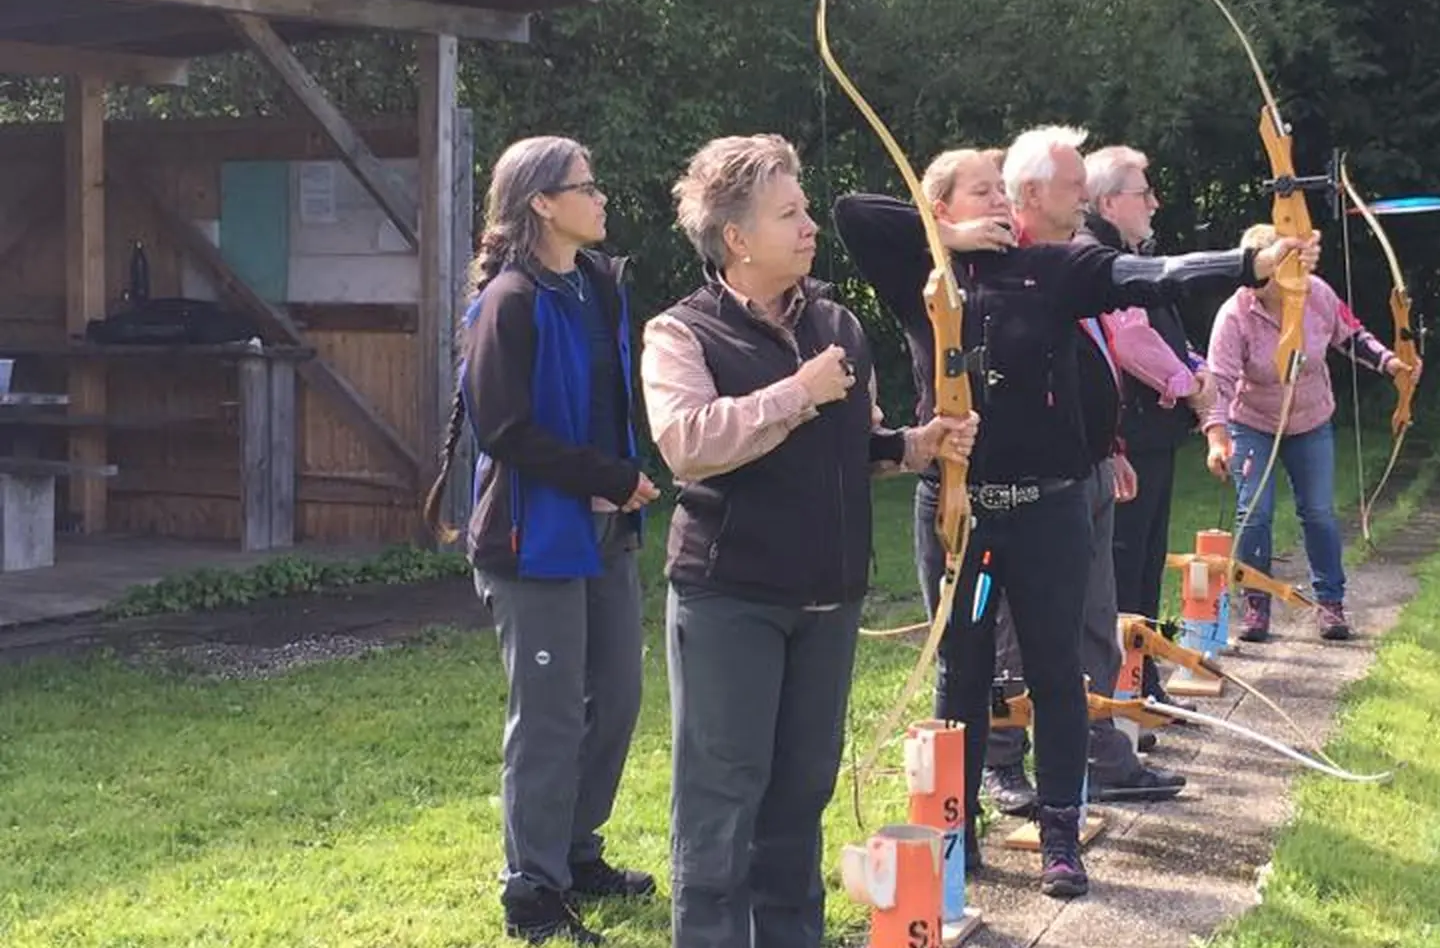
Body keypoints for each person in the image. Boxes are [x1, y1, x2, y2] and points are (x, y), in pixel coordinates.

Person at [833, 129, 1319, 899]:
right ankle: (957, 837)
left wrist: (1250, 263)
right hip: (960, 513)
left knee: (1056, 669)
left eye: (1003, 186)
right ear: (941, 208)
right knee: (962, 671)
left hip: (1047, 515)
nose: (999, 199)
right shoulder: (922, 275)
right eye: (983, 189)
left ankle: (1062, 834)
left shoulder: (1052, 268)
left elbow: (1149, 275)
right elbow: (853, 212)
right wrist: (947, 240)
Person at [639, 134, 976, 948]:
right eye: (788, 214)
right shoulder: (680, 332)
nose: (810, 226)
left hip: (828, 595)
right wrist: (798, 390)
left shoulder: (837, 324)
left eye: (806, 209)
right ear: (736, 238)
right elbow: (688, 442)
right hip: (732, 596)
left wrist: (918, 445)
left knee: (800, 795)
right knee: (723, 798)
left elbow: (850, 444)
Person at [421, 135, 660, 946]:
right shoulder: (510, 300)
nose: (601, 197)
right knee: (550, 718)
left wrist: (620, 481)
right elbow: (505, 429)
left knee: (617, 698)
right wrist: (606, 474)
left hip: (606, 531)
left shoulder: (600, 284)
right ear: (542, 204)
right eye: (585, 186)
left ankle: (575, 852)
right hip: (532, 541)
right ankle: (532, 893)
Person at [981, 133, 1186, 810]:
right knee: (1015, 632)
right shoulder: (1002, 273)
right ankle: (1001, 761)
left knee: (1096, 623)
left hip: (1090, 466)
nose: (1084, 201)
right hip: (1026, 485)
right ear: (1031, 194)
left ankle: (1101, 756)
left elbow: (1091, 363)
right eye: (1074, 188)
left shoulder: (1073, 263)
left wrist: (1111, 441)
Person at [1202, 222, 1420, 642]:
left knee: (1318, 511)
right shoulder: (1235, 313)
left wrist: (1393, 364)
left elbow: (1352, 336)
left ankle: (1330, 604)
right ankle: (1256, 603)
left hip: (1311, 420)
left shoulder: (1317, 294)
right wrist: (1217, 437)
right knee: (1254, 513)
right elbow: (1220, 382)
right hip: (1252, 423)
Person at [1079, 145, 1214, 706]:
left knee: (1146, 563)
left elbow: (1167, 333)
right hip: (1126, 439)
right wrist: (1188, 384)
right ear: (1109, 203)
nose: (1155, 203)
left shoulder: (1135, 257)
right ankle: (1120, 696)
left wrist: (1197, 369)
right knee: (1123, 567)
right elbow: (1131, 340)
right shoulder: (1102, 261)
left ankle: (1143, 683)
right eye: (1144, 193)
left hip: (1151, 436)